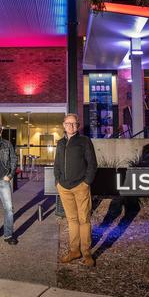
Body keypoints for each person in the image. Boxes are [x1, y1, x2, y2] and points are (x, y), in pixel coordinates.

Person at [54, 113, 98, 267]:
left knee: (84, 220)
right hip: (64, 188)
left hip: (80, 186)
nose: (70, 126)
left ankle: (86, 253)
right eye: (68, 123)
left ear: (77, 125)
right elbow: (57, 164)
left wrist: (86, 183)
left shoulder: (84, 141)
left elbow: (92, 164)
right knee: (72, 220)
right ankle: (74, 251)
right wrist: (57, 182)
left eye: (73, 124)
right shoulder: (60, 143)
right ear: (63, 125)